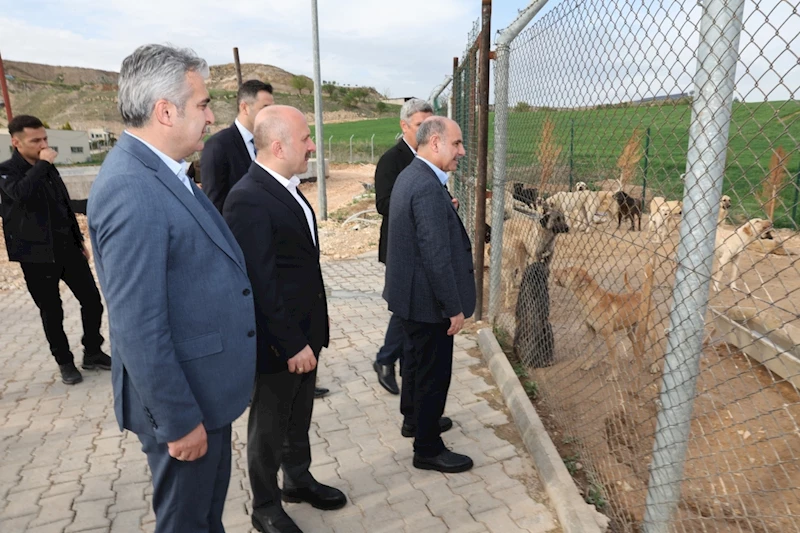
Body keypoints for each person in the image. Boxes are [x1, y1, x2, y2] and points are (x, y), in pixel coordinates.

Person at [87, 44, 257, 533]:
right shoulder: (131, 188)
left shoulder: (162, 172)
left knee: (203, 517)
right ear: (166, 111)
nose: (211, 117)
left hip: (205, 392)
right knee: (186, 522)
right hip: (184, 404)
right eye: (203, 104)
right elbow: (137, 326)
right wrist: (178, 420)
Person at [224, 105, 346, 533]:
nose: (312, 145)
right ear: (278, 147)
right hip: (280, 342)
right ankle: (265, 506)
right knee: (269, 427)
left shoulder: (287, 188)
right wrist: (291, 343)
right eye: (306, 138)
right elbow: (259, 283)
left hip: (305, 333)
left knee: (298, 417)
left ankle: (297, 480)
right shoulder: (248, 198)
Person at [383, 116, 476, 473]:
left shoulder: (414, 175)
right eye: (457, 144)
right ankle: (427, 448)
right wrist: (453, 307)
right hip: (427, 301)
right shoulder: (425, 186)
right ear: (435, 143)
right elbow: (435, 255)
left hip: (412, 296)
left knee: (416, 366)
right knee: (432, 375)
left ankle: (415, 420)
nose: (462, 151)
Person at [0, 114, 110, 385]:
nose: (43, 145)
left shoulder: (47, 169)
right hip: (35, 255)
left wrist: (78, 239)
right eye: (35, 140)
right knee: (52, 311)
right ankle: (65, 362)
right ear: (16, 143)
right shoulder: (7, 171)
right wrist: (43, 163)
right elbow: (21, 193)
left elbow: (62, 203)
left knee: (92, 301)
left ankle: (92, 351)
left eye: (45, 139)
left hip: (66, 248)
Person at [373, 98, 433, 395]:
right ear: (404, 125)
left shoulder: (429, 156)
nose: (426, 131)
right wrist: (421, 207)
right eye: (420, 125)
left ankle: (395, 361)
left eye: (430, 125)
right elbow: (383, 204)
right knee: (405, 306)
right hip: (400, 246)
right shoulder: (391, 160)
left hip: (425, 244)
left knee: (411, 307)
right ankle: (387, 359)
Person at [200, 79, 274, 213]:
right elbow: (214, 205)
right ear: (244, 107)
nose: (270, 115)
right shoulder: (218, 146)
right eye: (265, 108)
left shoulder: (269, 143)